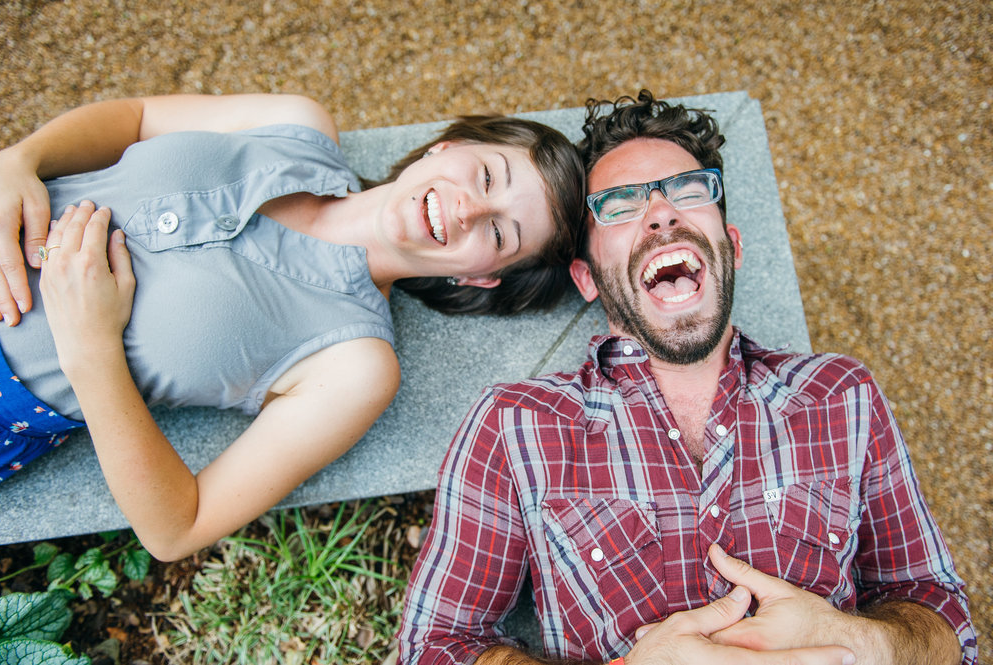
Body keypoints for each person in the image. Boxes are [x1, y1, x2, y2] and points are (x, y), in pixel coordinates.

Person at [398, 90, 976, 665]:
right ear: (588, 277)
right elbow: (433, 645)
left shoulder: (839, 394)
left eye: (689, 192)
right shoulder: (517, 425)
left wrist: (860, 641)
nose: (662, 212)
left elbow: (943, 619)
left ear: (733, 247)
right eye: (619, 205)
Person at [0, 93, 585, 562]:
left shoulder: (355, 366)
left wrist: (90, 350)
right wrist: (22, 160)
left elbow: (177, 528)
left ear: (481, 278)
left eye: (500, 234)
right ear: (446, 147)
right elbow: (137, 115)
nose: (469, 209)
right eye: (486, 176)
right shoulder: (295, 122)